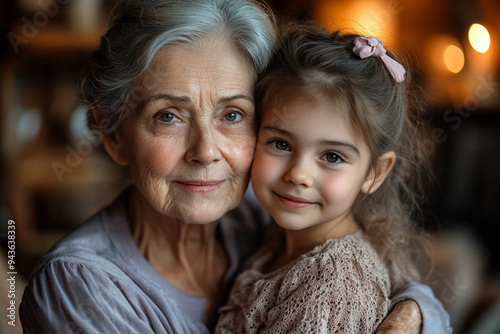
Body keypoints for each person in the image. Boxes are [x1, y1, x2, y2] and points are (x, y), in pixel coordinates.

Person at [19, 0, 450, 333]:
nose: (206, 151)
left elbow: (365, 275)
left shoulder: (264, 212)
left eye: (232, 115)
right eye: (168, 115)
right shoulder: (79, 286)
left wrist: (413, 311)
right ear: (113, 135)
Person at [216, 24, 453, 333]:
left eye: (332, 157)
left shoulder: (332, 285)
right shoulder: (274, 235)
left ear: (375, 173)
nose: (298, 175)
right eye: (281, 144)